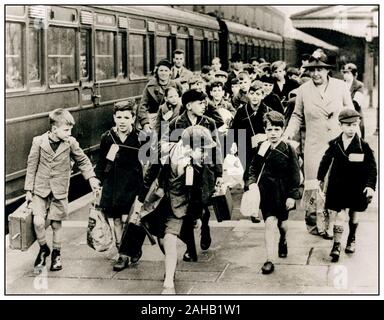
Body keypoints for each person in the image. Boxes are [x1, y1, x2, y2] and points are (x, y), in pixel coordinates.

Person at [139, 125, 219, 294]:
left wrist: (196, 216)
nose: (205, 154)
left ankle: (168, 284)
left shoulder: (199, 165)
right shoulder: (166, 153)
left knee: (169, 239)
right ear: (189, 147)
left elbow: (199, 193)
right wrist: (141, 199)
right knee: (161, 239)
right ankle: (171, 264)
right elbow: (151, 174)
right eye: (202, 150)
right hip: (160, 203)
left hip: (180, 207)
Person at [284, 49, 354, 237]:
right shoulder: (303, 90)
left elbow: (351, 115)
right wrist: (287, 135)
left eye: (320, 70)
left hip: (338, 145)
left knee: (334, 185)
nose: (315, 74)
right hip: (314, 145)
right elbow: (297, 116)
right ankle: (315, 223)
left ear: (327, 71)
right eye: (312, 70)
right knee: (315, 185)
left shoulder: (340, 87)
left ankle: (331, 225)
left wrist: (356, 141)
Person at [24, 109, 100, 274]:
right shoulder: (38, 142)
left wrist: (91, 177)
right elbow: (31, 166)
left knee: (56, 224)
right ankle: (44, 248)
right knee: (38, 222)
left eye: (70, 129)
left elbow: (82, 160)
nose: (69, 133)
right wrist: (29, 189)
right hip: (40, 189)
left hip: (59, 190)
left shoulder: (70, 143)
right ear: (54, 129)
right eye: (66, 130)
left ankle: (57, 255)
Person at [161, 89, 223, 261]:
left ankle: (205, 225)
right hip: (183, 174)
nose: (204, 106)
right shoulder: (175, 124)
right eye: (200, 103)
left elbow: (216, 148)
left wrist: (219, 172)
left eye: (204, 103)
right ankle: (190, 248)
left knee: (202, 206)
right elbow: (167, 149)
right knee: (186, 211)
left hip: (204, 173)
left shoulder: (209, 122)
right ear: (188, 106)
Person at [317, 109, 376, 262]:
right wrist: (320, 178)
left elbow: (372, 167)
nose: (351, 128)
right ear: (340, 125)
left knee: (354, 215)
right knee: (339, 215)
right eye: (347, 125)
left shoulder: (363, 146)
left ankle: (352, 238)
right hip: (339, 185)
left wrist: (370, 186)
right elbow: (325, 160)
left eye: (354, 125)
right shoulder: (335, 144)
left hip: (358, 186)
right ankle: (336, 245)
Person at [246, 111, 301, 274]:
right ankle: (269, 259)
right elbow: (253, 168)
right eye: (269, 130)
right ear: (265, 130)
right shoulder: (262, 147)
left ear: (282, 130)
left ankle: (283, 239)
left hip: (284, 193)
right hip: (267, 192)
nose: (273, 133)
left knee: (282, 224)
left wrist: (292, 195)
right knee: (269, 223)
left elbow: (295, 174)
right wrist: (251, 183)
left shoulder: (289, 149)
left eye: (277, 129)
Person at [95, 100, 144, 271]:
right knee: (116, 219)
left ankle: (133, 247)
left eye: (126, 117)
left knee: (133, 219)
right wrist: (97, 181)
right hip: (113, 185)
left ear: (133, 118)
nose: (122, 121)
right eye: (119, 117)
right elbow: (101, 162)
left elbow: (147, 165)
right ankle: (122, 254)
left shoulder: (140, 138)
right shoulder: (107, 137)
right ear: (114, 118)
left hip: (133, 185)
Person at [137, 59, 182, 133]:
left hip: (173, 119)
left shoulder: (176, 85)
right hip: (154, 120)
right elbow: (142, 106)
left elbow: (183, 102)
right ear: (157, 72)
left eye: (166, 70)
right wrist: (145, 123)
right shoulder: (150, 86)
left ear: (170, 72)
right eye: (161, 70)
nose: (163, 73)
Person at [341, 63, 365, 138]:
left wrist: (345, 108)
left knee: (359, 134)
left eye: (348, 72)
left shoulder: (359, 85)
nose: (345, 74)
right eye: (344, 72)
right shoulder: (340, 84)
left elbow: (356, 103)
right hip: (342, 116)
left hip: (355, 115)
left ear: (353, 74)